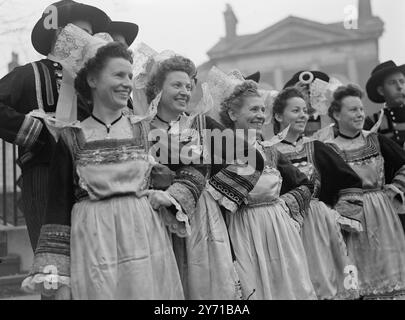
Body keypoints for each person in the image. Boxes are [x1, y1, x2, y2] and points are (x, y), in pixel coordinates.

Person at [22, 42, 186, 300]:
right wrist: (57, 281)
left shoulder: (145, 131)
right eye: (118, 75)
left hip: (144, 237)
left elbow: (197, 163)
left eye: (130, 76)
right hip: (93, 243)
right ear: (92, 79)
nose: (127, 83)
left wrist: (172, 193)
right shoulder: (70, 138)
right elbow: (57, 209)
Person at [143, 59, 265, 300]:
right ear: (157, 88)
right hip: (155, 216)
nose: (185, 92)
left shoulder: (201, 125)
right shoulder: (141, 128)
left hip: (202, 218)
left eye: (188, 86)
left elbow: (251, 160)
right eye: (177, 85)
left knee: (207, 289)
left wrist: (216, 193)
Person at [0, 0, 110, 251]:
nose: (90, 40)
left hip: (93, 179)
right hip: (44, 177)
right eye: (83, 33)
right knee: (53, 263)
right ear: (60, 35)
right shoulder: (29, 74)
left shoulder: (95, 83)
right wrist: (35, 132)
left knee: (93, 262)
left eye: (92, 34)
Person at [217, 74, 316, 300]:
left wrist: (283, 208)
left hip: (279, 231)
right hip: (241, 231)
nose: (260, 115)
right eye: (253, 110)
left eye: (263, 110)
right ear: (233, 114)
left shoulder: (270, 150)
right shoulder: (220, 149)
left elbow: (305, 184)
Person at [272, 87, 363, 300]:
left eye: (305, 110)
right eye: (295, 110)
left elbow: (351, 182)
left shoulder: (318, 148)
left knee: (326, 281)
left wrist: (338, 216)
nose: (303, 115)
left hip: (318, 225)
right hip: (283, 227)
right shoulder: (268, 151)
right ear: (278, 116)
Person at [327, 84, 405, 299]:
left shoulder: (376, 140)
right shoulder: (329, 148)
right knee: (355, 273)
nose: (360, 114)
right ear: (336, 114)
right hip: (351, 221)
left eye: (361, 109)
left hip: (382, 215)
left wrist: (395, 189)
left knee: (389, 271)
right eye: (353, 109)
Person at [284, 70, 333, 137]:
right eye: (305, 93)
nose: (309, 97)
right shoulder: (287, 119)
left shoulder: (331, 115)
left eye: (313, 93)